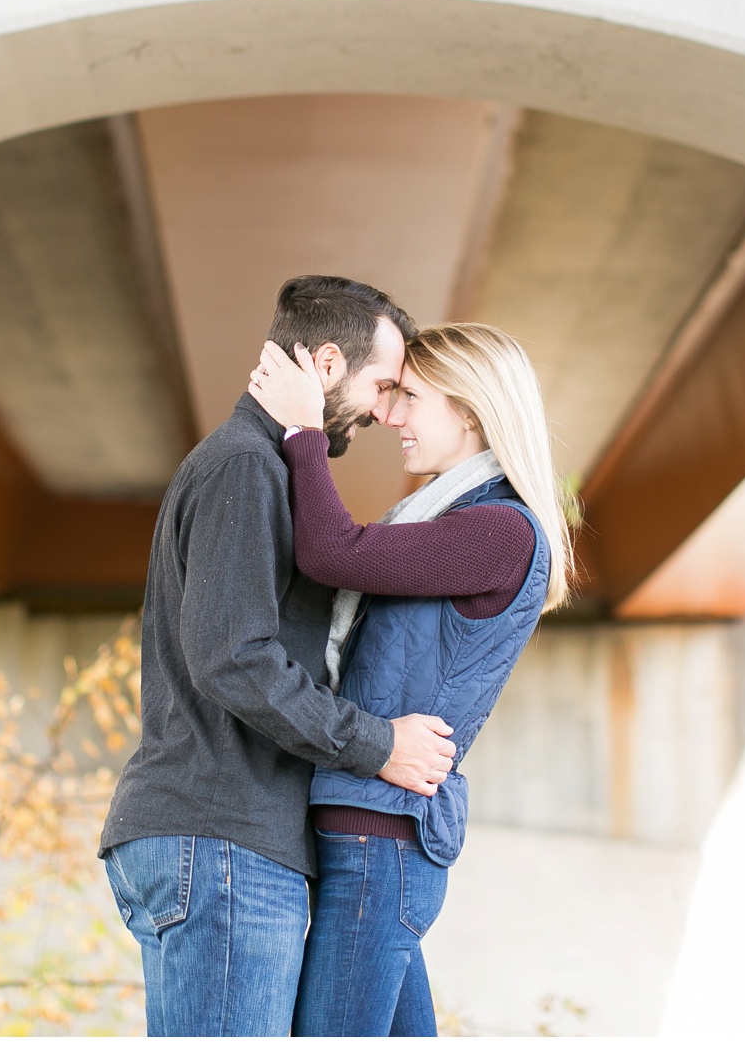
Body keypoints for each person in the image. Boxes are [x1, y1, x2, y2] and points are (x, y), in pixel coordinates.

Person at [99, 275, 463, 1037]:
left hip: (219, 839)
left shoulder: (265, 468)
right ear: (327, 362)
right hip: (222, 839)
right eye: (382, 385)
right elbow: (235, 659)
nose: (383, 409)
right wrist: (378, 743)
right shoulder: (245, 466)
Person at [244, 321, 575, 1037]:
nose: (391, 415)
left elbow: (335, 550)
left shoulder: (501, 531)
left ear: (469, 408)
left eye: (410, 397)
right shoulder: (458, 519)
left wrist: (305, 431)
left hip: (380, 844)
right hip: (372, 843)